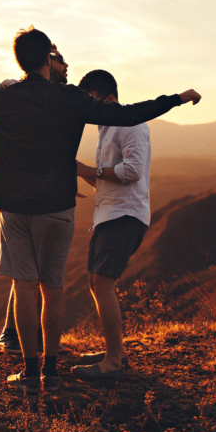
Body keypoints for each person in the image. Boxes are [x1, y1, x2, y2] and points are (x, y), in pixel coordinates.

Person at [0, 26, 201, 394]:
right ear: (48, 60)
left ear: (20, 59)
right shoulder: (68, 98)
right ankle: (51, 372)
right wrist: (176, 98)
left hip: (16, 207)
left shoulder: (2, 96)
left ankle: (30, 373)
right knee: (53, 289)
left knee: (24, 289)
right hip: (57, 206)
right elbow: (129, 114)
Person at [0, 44, 69, 355]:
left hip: (39, 195)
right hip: (17, 197)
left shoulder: (51, 99)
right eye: (60, 60)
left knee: (31, 271)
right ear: (46, 61)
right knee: (26, 273)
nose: (67, 67)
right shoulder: (16, 94)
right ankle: (13, 335)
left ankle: (20, 337)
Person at [69, 70, 156, 380]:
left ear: (106, 98)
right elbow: (108, 177)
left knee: (103, 283)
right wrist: (81, 174)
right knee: (96, 282)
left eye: (88, 101)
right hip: (109, 214)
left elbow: (132, 171)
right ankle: (114, 351)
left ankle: (113, 363)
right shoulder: (107, 128)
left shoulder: (129, 123)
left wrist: (88, 169)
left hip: (125, 216)